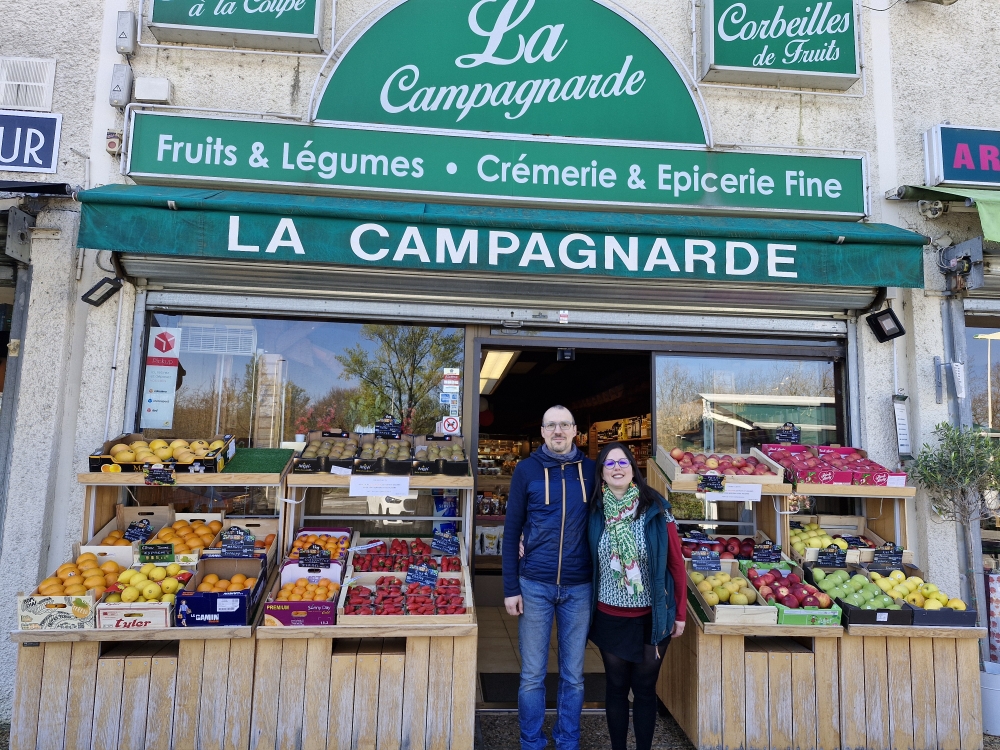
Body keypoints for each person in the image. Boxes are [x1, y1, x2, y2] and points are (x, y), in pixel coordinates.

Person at [503, 405, 596, 750]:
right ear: (542, 432)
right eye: (551, 425)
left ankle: (568, 739)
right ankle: (531, 741)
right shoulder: (526, 470)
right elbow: (512, 530)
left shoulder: (592, 470)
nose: (558, 431)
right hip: (534, 585)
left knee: (573, 676)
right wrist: (510, 587)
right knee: (531, 676)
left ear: (575, 431)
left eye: (564, 425)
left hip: (579, 586)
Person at [587, 442, 687, 750]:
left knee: (644, 689)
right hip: (610, 617)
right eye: (609, 464)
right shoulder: (593, 511)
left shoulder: (656, 509)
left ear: (633, 468)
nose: (617, 468)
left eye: (623, 462)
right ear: (601, 473)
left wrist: (680, 613)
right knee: (616, 687)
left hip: (651, 617)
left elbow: (676, 563)